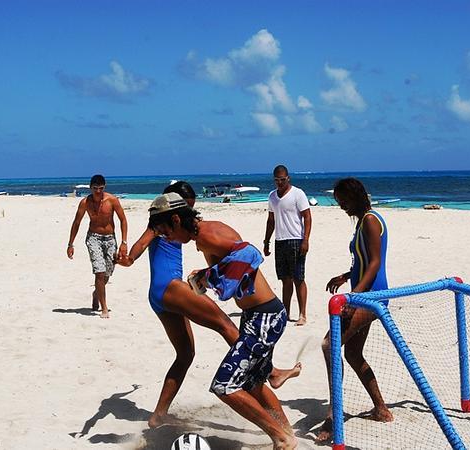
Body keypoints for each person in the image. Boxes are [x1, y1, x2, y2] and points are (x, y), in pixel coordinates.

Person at [118, 183, 300, 430]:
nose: (167, 237)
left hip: (263, 314)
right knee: (244, 371)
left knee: (212, 360)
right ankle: (281, 420)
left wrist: (211, 276)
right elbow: (237, 265)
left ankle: (282, 431)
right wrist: (209, 275)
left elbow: (250, 255)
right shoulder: (184, 231)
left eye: (166, 233)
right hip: (241, 310)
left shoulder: (207, 234)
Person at [315, 177, 394, 443]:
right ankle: (381, 409)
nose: (342, 207)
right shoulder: (362, 221)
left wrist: (352, 298)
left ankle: (334, 415)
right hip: (364, 292)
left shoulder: (371, 220)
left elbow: (374, 264)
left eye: (344, 201)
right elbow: (362, 262)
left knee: (329, 345)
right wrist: (346, 275)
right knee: (352, 353)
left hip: (373, 297)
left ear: (357, 197)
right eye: (339, 202)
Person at [67, 174, 128, 318]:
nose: (98, 192)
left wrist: (124, 242)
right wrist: (70, 244)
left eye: (101, 188)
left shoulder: (112, 200)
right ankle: (104, 307)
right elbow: (76, 223)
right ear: (90, 188)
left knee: (107, 273)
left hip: (110, 239)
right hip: (93, 238)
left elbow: (123, 220)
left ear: (104, 187)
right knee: (99, 272)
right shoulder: (85, 203)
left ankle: (96, 293)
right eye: (95, 189)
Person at [264, 165, 312, 326]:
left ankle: (302, 314)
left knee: (299, 278)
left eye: (282, 180)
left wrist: (305, 240)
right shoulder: (272, 196)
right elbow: (271, 220)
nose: (279, 183)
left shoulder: (298, 194)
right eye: (276, 180)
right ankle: (285, 312)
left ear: (288, 178)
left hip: (296, 240)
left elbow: (307, 217)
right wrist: (266, 241)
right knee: (285, 279)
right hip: (280, 241)